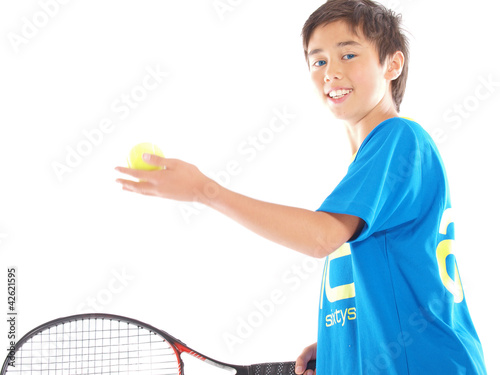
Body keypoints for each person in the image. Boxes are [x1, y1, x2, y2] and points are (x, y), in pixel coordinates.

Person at [116, 0, 487, 373]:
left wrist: (203, 190)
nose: (331, 72)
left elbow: (321, 237)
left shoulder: (398, 138)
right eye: (319, 61)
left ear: (392, 64)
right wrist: (347, 345)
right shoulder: (375, 162)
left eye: (348, 55)